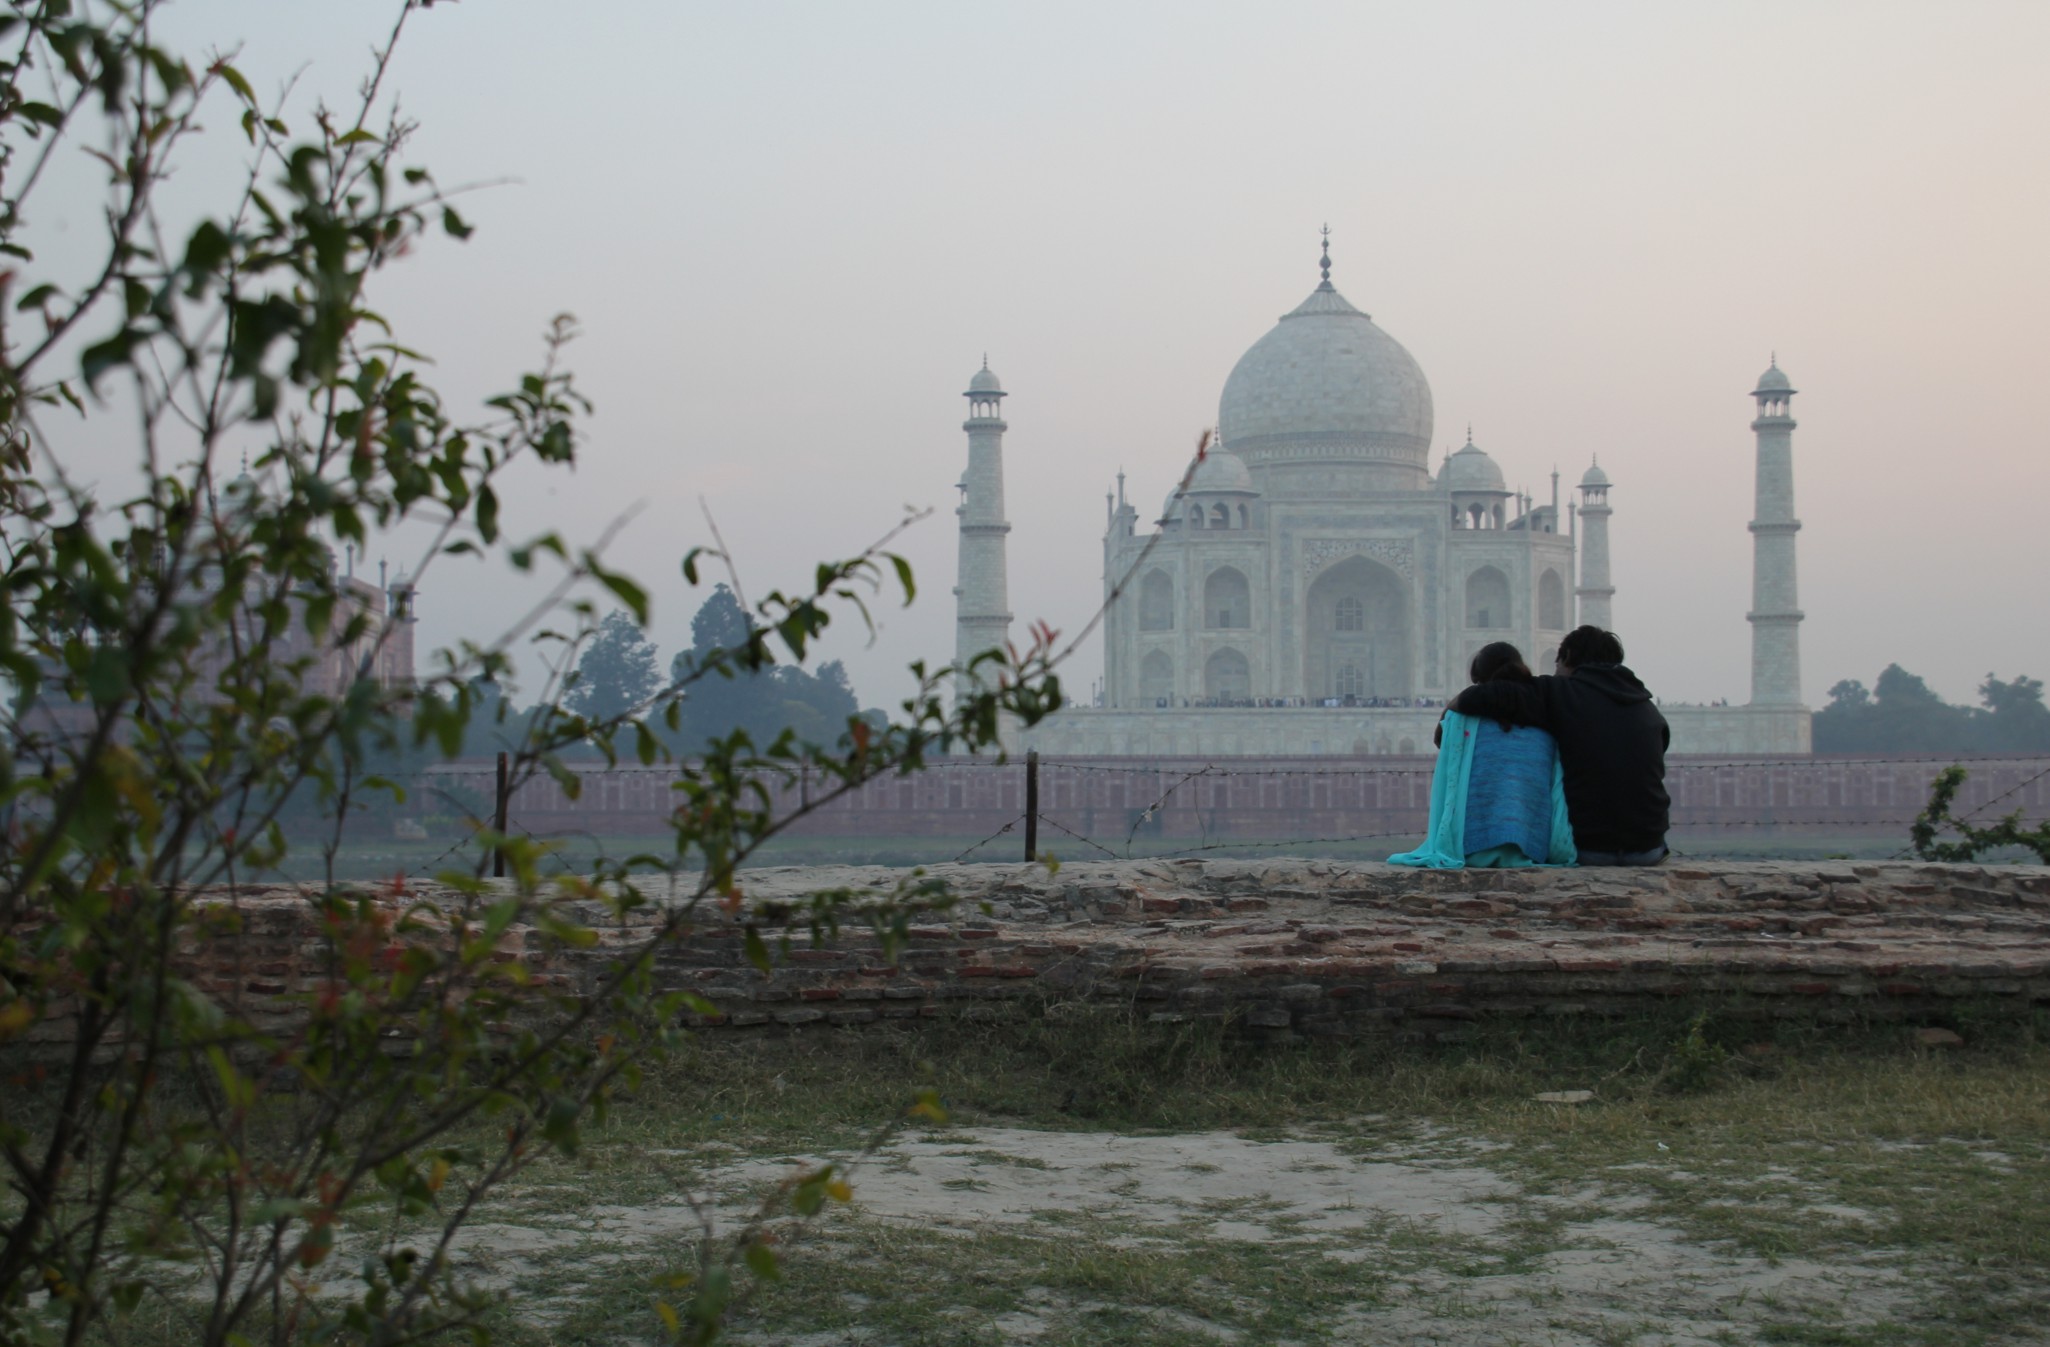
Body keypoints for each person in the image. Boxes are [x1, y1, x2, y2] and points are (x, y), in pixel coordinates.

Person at [1450, 625, 1670, 865]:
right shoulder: (1649, 710)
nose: (1555, 673)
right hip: (1649, 849)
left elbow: (1489, 694)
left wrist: (1449, 712)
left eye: (1557, 665)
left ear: (1567, 658)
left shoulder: (1562, 693)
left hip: (1589, 849)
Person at [1391, 643, 1575, 869]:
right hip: (1534, 848)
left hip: (1471, 848)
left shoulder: (1463, 718)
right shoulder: (1549, 716)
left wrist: (1451, 711)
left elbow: (1444, 760)